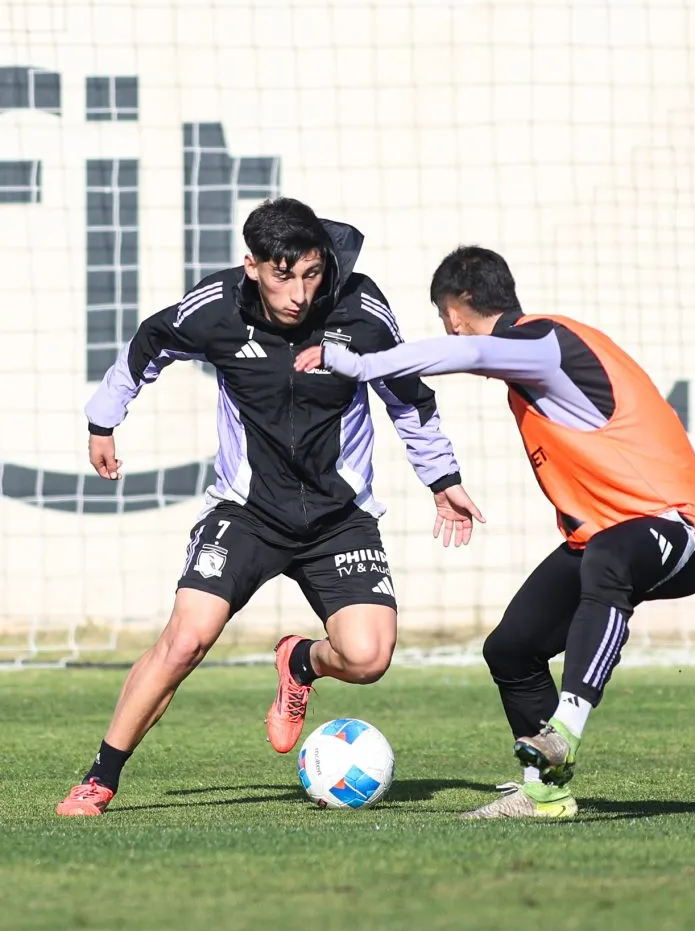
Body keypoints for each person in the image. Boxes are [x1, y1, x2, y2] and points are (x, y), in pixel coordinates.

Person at [294, 245, 695, 820]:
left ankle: (563, 733)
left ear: (457, 306)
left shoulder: (543, 343)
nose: (447, 326)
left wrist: (359, 363)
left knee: (607, 558)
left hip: (681, 533)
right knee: (513, 649)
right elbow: (649, 443)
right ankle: (544, 791)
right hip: (617, 530)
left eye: (445, 314)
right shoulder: (559, 357)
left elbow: (468, 349)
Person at [56, 199, 483, 817]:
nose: (299, 294)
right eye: (284, 277)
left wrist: (441, 477)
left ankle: (299, 660)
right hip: (247, 512)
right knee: (184, 642)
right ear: (251, 265)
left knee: (368, 659)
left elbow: (407, 393)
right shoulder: (216, 308)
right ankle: (100, 778)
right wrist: (103, 419)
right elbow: (148, 343)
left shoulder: (359, 307)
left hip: (339, 519)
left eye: (311, 274)